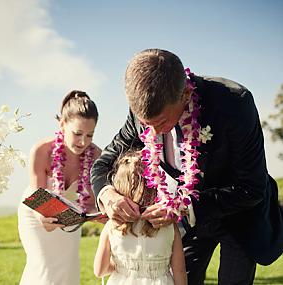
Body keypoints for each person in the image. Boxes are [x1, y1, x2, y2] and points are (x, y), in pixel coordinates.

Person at [91, 48, 283, 285]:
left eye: (160, 122)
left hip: (238, 214)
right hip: (189, 224)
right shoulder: (140, 115)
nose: (151, 131)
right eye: (144, 124)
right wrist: (107, 195)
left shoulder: (234, 104)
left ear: (184, 94)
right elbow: (103, 164)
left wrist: (183, 209)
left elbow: (251, 187)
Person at [18, 90, 102, 285]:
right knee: (43, 267)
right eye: (78, 133)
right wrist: (44, 217)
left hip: (69, 219)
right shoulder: (41, 151)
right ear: (62, 124)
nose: (84, 142)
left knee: (67, 268)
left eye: (90, 135)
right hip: (36, 215)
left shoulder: (96, 155)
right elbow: (39, 198)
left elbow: (88, 204)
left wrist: (98, 214)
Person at [94, 151, 187, 284]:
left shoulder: (112, 226)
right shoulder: (168, 224)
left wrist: (121, 266)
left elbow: (99, 270)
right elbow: (180, 271)